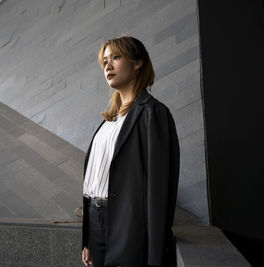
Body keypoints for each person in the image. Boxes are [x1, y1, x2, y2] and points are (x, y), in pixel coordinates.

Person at [81, 36, 180, 267]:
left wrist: (155, 254)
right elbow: (96, 179)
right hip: (97, 223)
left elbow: (159, 189)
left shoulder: (153, 114)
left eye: (116, 57)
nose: (107, 65)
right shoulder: (109, 121)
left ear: (137, 63)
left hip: (129, 226)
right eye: (104, 61)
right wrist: (87, 237)